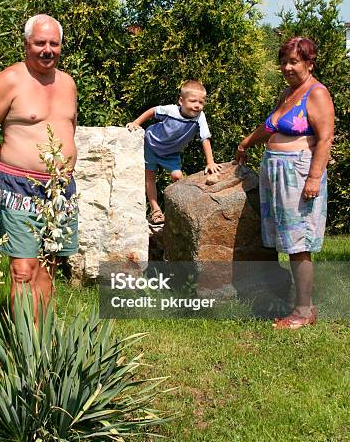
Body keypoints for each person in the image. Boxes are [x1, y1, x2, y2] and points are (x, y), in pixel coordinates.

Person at [0, 14, 78, 320]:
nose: (47, 50)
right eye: (39, 43)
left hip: (60, 190)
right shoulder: (11, 79)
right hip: (18, 188)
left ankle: (41, 343)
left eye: (53, 44)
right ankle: (20, 348)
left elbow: (68, 129)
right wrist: (9, 163)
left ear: (61, 46)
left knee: (48, 267)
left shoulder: (68, 83)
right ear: (26, 45)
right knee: (22, 270)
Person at [235, 37, 334, 329]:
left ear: (309, 63)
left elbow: (326, 139)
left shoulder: (317, 94)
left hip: (299, 173)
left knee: (298, 240)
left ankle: (304, 311)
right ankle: (295, 301)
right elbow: (271, 125)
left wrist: (314, 177)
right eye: (284, 62)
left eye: (294, 61)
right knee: (286, 239)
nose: (288, 67)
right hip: (277, 172)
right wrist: (246, 143)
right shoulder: (288, 92)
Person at [127, 80, 221, 225]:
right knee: (150, 177)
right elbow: (152, 111)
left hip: (171, 154)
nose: (197, 105)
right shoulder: (171, 110)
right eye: (193, 101)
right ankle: (156, 210)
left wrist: (210, 162)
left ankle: (179, 208)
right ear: (181, 101)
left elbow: (205, 138)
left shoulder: (200, 117)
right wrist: (136, 123)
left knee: (177, 176)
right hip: (151, 145)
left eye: (201, 102)